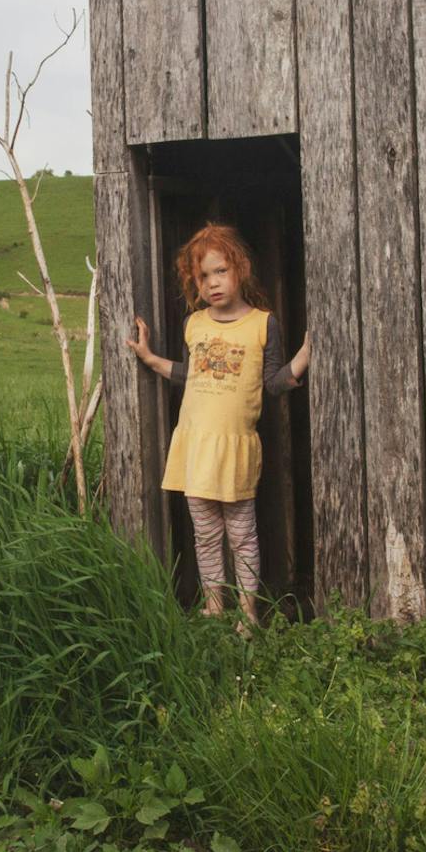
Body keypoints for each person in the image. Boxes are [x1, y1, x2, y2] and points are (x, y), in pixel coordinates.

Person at [125, 222, 312, 626]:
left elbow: (273, 382)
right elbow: (192, 374)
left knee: (242, 535)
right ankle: (214, 608)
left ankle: (248, 613)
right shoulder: (196, 324)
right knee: (206, 534)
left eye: (220, 271)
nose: (212, 283)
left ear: (240, 268)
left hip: (234, 447)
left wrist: (306, 355)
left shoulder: (263, 324)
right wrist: (151, 358)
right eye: (203, 275)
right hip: (195, 447)